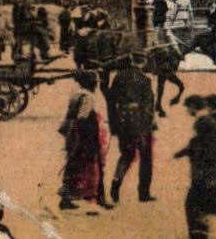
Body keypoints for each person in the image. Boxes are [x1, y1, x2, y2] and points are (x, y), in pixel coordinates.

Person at [174, 94, 216, 239]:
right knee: (208, 205)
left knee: (197, 206)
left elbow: (206, 151)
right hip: (214, 174)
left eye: (188, 108)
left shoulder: (206, 124)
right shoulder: (208, 128)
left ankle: (201, 233)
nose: (187, 111)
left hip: (208, 177)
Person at [107, 52, 157, 206]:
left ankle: (116, 184)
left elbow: (110, 102)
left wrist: (113, 124)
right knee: (146, 157)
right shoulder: (145, 79)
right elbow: (149, 105)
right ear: (143, 62)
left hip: (122, 119)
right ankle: (143, 193)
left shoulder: (118, 78)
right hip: (139, 122)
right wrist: (149, 124)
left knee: (126, 155)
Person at [58, 72, 110, 213]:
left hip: (72, 132)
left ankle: (67, 198)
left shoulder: (76, 93)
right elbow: (83, 117)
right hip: (84, 136)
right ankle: (94, 200)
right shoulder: (87, 97)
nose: (97, 84)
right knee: (91, 166)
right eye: (96, 81)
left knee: (73, 165)